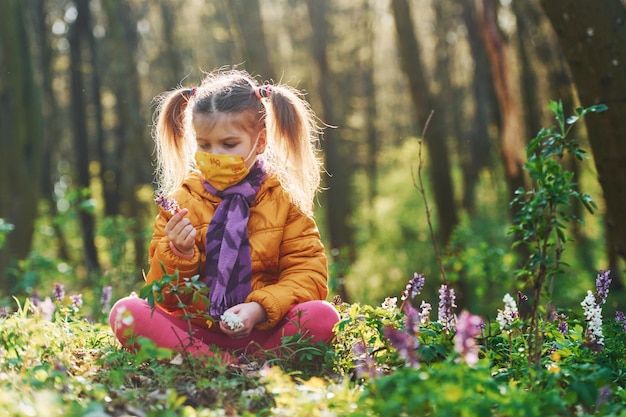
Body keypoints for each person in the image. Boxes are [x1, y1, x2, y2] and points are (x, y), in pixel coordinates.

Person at [108, 69, 339, 361]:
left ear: (260, 141)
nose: (214, 154)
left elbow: (309, 276)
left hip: (265, 330)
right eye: (204, 145)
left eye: (229, 145)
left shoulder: (285, 200)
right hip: (196, 333)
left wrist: (259, 309)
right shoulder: (180, 202)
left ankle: (245, 361)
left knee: (322, 316)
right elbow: (162, 297)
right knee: (124, 313)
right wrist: (179, 253)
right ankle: (221, 365)